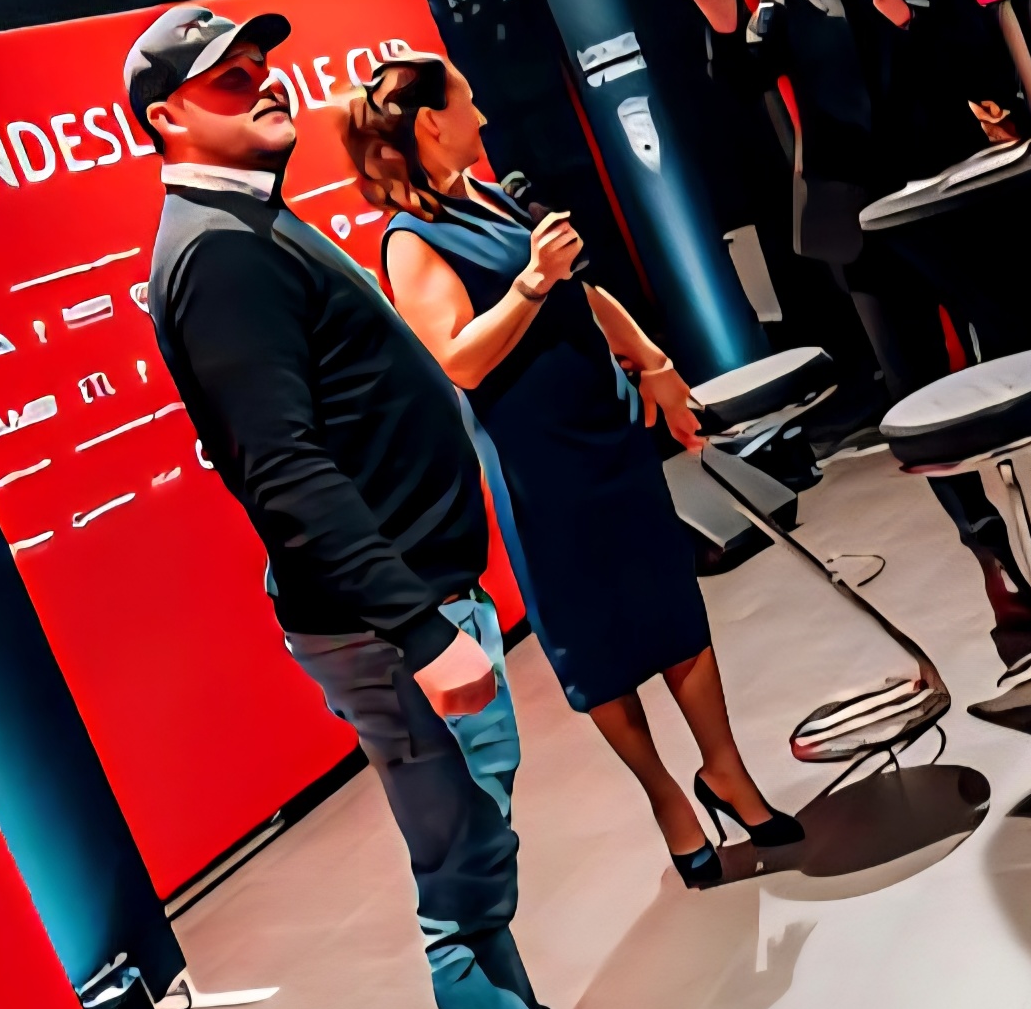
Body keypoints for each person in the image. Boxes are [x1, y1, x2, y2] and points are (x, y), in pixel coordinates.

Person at [130, 5, 678, 1009]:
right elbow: (283, 471)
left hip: (410, 599)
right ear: (167, 119)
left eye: (261, 64)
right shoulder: (220, 251)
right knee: (462, 885)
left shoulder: (246, 221)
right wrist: (423, 632)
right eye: (227, 80)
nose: (263, 82)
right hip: (397, 617)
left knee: (475, 861)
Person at [344, 46, 804, 888]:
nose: (483, 116)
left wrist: (654, 364)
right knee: (597, 647)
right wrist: (529, 282)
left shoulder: (489, 194)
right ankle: (668, 799)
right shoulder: (409, 241)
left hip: (609, 434)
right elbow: (459, 360)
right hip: (540, 469)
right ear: (431, 123)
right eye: (468, 102)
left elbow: (582, 294)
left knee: (673, 607)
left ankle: (726, 770)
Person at [677, 0, 1031, 716]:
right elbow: (743, 82)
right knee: (918, 398)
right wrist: (721, 29)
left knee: (1021, 363)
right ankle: (997, 567)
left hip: (957, 205)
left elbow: (981, 72)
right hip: (860, 228)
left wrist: (903, 14)